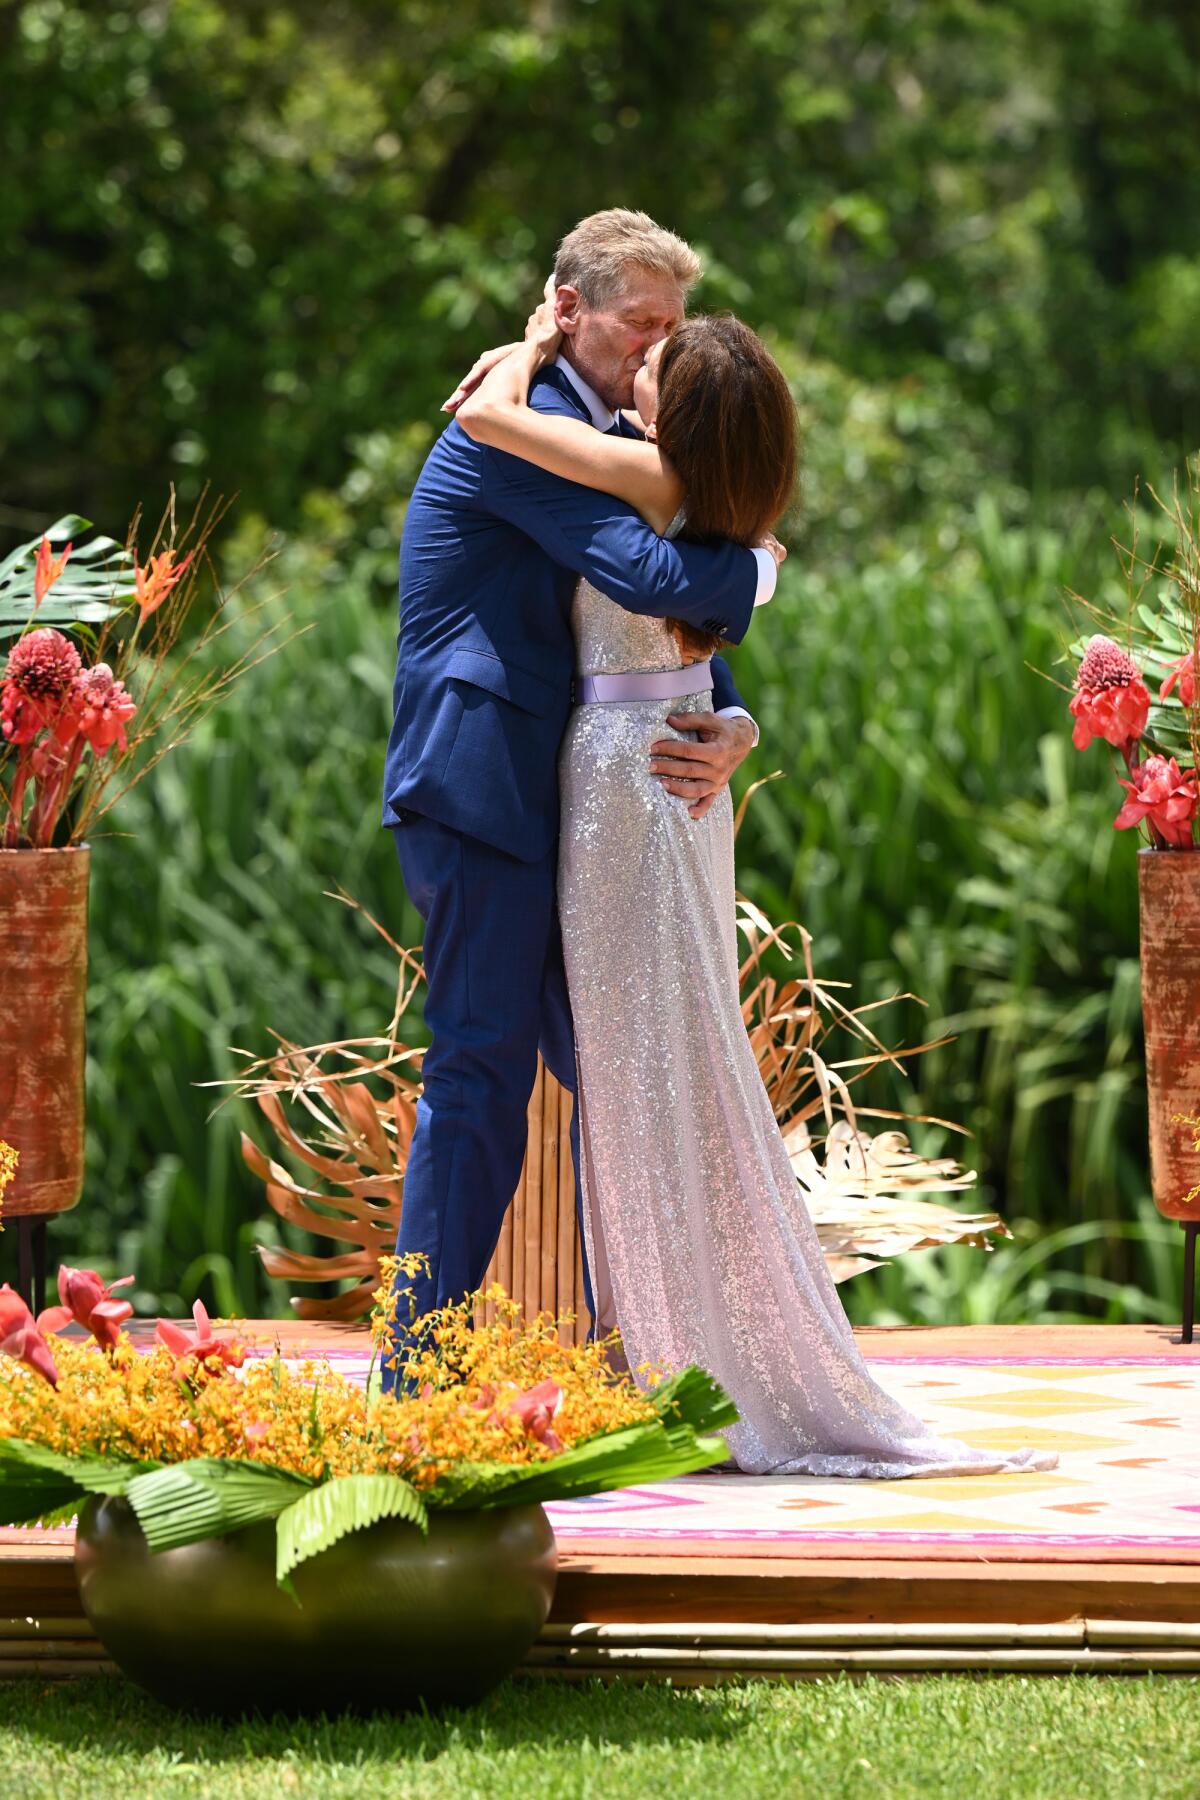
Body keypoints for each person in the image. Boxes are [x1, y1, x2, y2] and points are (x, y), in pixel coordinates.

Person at [454, 298, 1058, 1478]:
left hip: (624, 787)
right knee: (680, 1059)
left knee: (641, 1071)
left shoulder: (641, 477)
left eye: (657, 362)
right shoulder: (725, 512)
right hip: (681, 777)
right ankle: (699, 1351)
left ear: (682, 414)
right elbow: (740, 591)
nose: (635, 363)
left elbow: (484, 417)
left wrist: (529, 340)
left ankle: (675, 1362)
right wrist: (739, 719)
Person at [381, 209, 783, 1363]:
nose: (658, 348)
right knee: (480, 1072)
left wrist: (734, 721)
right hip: (481, 787)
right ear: (568, 309)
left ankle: (673, 1354)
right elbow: (647, 571)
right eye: (640, 323)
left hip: (584, 804)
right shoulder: (517, 430)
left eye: (672, 327)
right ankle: (417, 1373)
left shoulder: (596, 424)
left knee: (637, 1065)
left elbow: (664, 627)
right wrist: (760, 561)